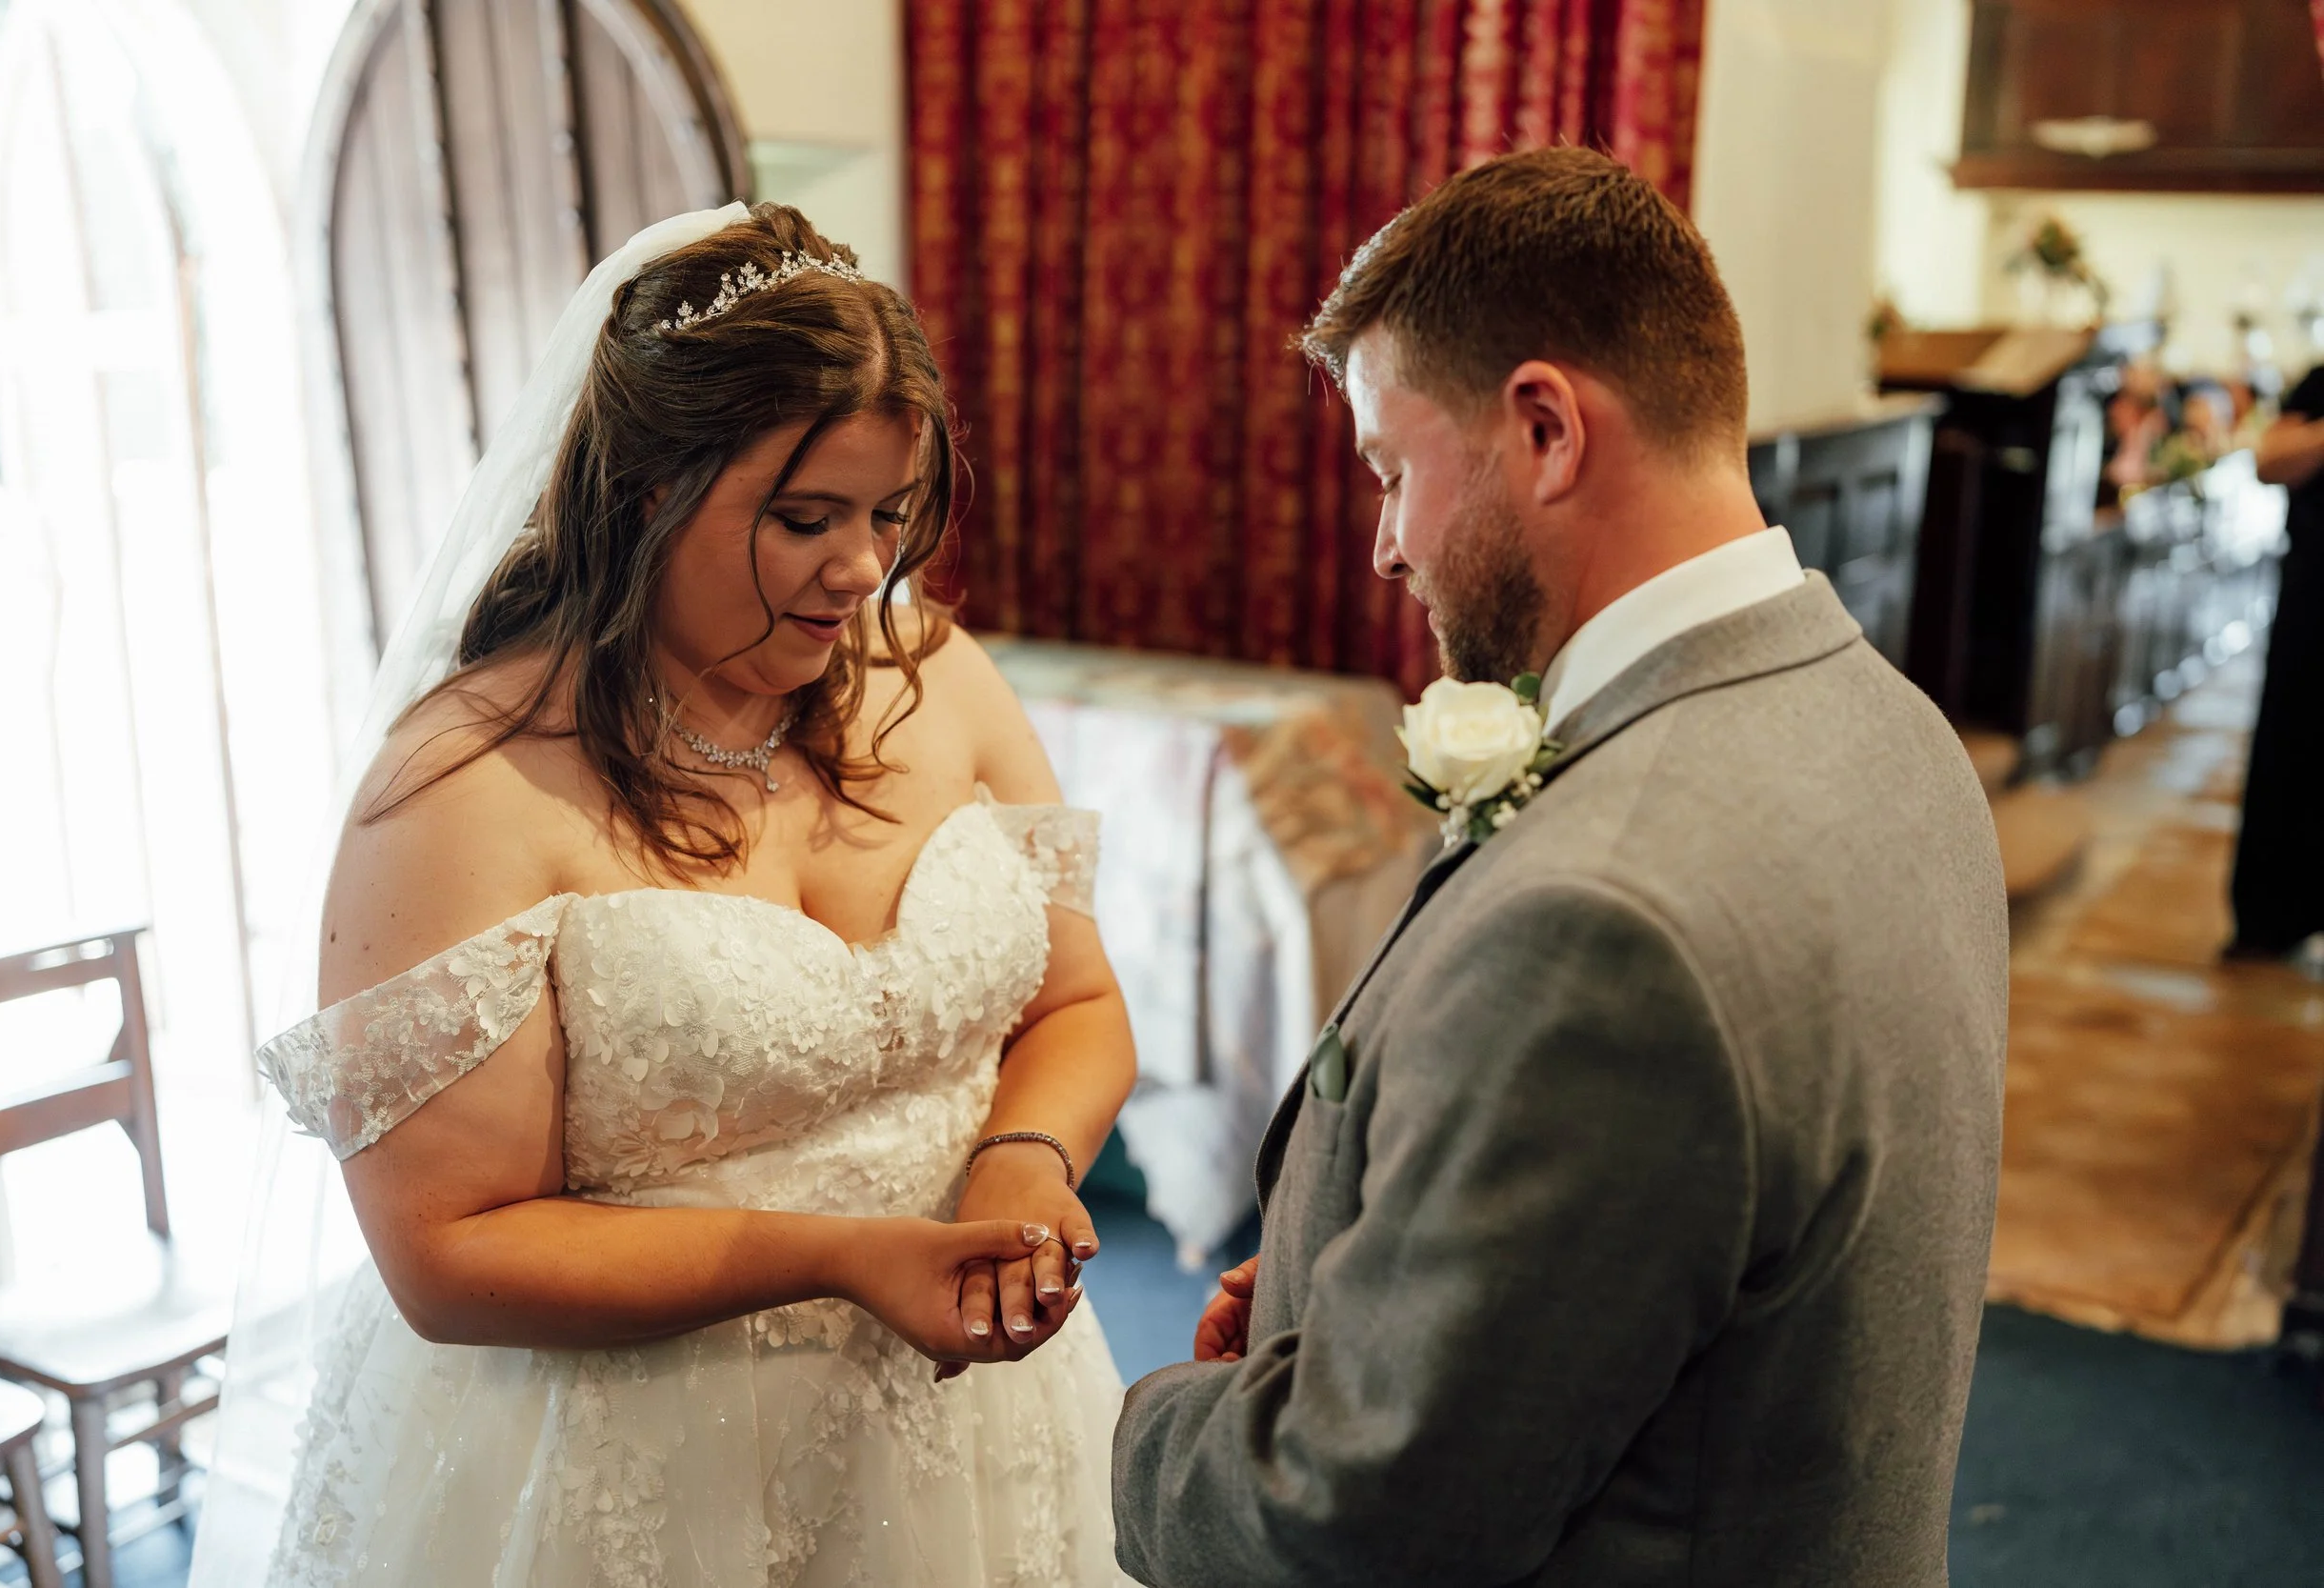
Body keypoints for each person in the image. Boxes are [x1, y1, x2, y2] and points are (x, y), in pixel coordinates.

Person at [1111, 148, 2010, 1586]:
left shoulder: (1604, 923)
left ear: (1544, 428)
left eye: (1393, 471)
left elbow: (1357, 1520)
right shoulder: (1893, 726)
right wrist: (1356, 1253)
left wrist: (1158, 1424)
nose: (1387, 546)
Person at [217, 203, 1138, 1585]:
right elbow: (444, 1250)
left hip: (978, 1424)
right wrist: (840, 1256)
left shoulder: (936, 670)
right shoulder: (467, 786)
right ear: (649, 488)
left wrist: (1027, 1151)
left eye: (891, 512)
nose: (863, 568)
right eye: (806, 518)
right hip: (630, 1459)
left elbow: (1077, 999)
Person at [2229, 365, 2324, 960]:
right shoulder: (2320, 383)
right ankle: (2271, 917)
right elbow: (2268, 462)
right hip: (2317, 604)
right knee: (2296, 748)